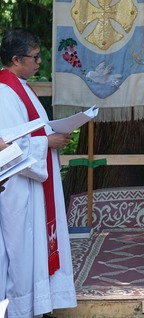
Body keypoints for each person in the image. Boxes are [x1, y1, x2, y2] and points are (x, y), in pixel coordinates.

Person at [0, 29, 76, 317]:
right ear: (16, 59)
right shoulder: (5, 92)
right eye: (34, 57)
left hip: (35, 184)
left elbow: (29, 131)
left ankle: (37, 304)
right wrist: (48, 142)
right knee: (21, 248)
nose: (39, 62)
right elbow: (8, 145)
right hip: (19, 187)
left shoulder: (21, 86)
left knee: (35, 245)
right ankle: (22, 307)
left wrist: (50, 135)